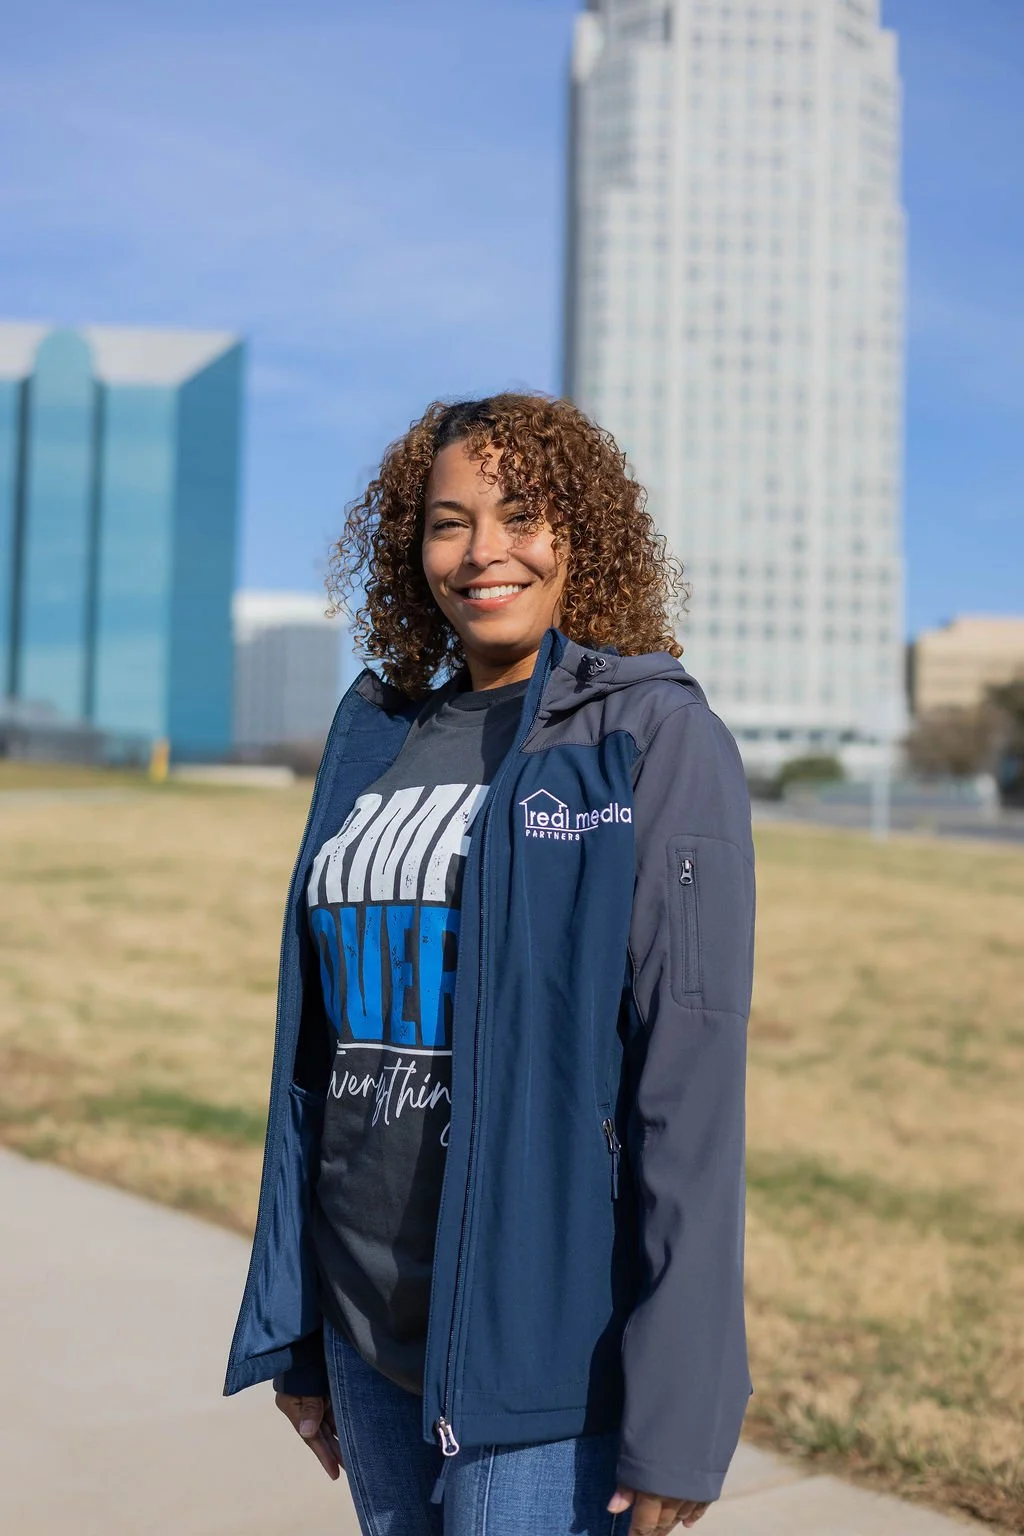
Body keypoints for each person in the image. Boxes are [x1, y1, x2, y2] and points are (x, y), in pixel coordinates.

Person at [224, 394, 756, 1536]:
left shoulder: (649, 737)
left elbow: (690, 1092)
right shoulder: (379, 731)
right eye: (448, 522)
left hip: (539, 1339)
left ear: (585, 536)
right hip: (367, 1323)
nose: (482, 553)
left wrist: (684, 1405)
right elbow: (317, 1052)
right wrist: (301, 1325)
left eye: (523, 515)